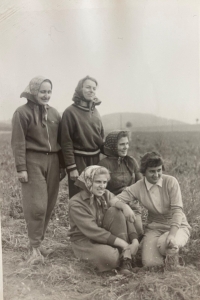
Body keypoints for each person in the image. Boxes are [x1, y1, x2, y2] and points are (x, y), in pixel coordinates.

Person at [11, 76, 65, 263]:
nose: (46, 95)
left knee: (49, 204)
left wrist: (63, 165)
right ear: (33, 91)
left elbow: (61, 141)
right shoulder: (22, 113)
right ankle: (33, 248)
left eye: (49, 92)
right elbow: (18, 142)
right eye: (42, 91)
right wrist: (21, 168)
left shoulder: (55, 114)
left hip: (54, 162)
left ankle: (38, 244)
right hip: (33, 161)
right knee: (37, 206)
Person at [114, 151, 191, 268]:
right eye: (152, 171)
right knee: (151, 264)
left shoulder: (171, 182)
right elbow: (114, 200)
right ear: (144, 172)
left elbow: (177, 211)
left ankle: (173, 258)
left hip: (177, 225)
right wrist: (124, 206)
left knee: (166, 244)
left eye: (159, 170)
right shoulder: (138, 187)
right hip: (154, 226)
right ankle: (164, 254)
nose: (156, 175)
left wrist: (172, 234)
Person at [68, 165, 141, 274]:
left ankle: (126, 260)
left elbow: (123, 214)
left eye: (104, 182)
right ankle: (122, 256)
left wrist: (134, 240)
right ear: (87, 181)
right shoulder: (76, 203)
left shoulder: (105, 194)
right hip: (86, 240)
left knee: (116, 210)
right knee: (110, 257)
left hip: (107, 236)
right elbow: (93, 231)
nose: (102, 186)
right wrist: (124, 244)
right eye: (98, 182)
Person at [61, 76, 104, 198]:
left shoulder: (95, 112)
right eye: (88, 87)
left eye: (94, 88)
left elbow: (101, 138)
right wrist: (71, 167)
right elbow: (66, 142)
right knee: (78, 196)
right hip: (79, 160)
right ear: (80, 89)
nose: (91, 90)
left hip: (95, 159)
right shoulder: (70, 112)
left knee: (94, 195)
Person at [98, 130, 142, 195]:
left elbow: (141, 184)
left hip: (132, 198)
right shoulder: (104, 164)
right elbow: (100, 190)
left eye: (127, 143)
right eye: (122, 144)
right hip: (112, 201)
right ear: (113, 146)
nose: (126, 147)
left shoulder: (131, 161)